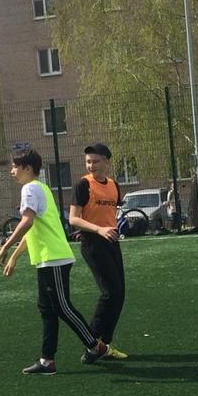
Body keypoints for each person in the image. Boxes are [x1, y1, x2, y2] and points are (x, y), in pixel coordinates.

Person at [0, 147, 108, 375]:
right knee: (47, 309)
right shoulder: (41, 188)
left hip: (54, 258)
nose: (12, 171)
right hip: (48, 259)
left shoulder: (30, 188)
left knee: (62, 307)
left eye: (15, 167)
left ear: (27, 168)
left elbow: (26, 222)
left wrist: (6, 246)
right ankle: (47, 361)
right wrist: (14, 257)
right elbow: (32, 230)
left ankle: (95, 346)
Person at [68, 142, 128, 360]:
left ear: (106, 162)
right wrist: (99, 229)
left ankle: (106, 344)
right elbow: (73, 219)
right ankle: (91, 343)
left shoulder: (113, 185)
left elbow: (109, 213)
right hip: (93, 243)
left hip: (111, 242)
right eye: (88, 162)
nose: (91, 165)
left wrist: (111, 228)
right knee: (109, 293)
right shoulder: (83, 185)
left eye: (95, 161)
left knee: (120, 294)